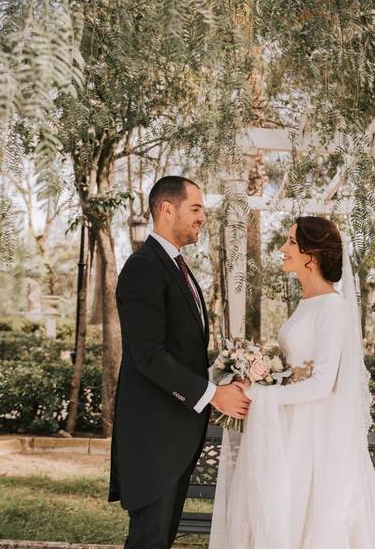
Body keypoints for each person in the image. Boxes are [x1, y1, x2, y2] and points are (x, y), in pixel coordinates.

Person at [209, 216, 375, 548]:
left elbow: (324, 383)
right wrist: (261, 373)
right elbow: (296, 368)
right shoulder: (307, 304)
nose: (283, 248)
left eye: (291, 242)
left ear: (313, 254)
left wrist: (258, 394)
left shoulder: (333, 308)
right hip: (289, 429)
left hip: (313, 438)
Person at [109, 175, 251, 549]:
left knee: (160, 540)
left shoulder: (176, 267)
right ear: (166, 209)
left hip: (176, 435)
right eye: (196, 208)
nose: (202, 217)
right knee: (149, 540)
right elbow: (150, 355)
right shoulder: (144, 267)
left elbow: (184, 350)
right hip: (154, 439)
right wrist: (213, 395)